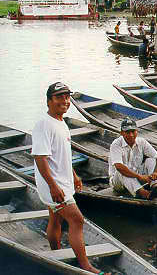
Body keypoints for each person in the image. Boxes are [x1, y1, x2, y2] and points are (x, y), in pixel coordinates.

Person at [32, 82, 109, 275]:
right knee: (77, 221)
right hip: (53, 185)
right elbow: (40, 158)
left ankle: (57, 255)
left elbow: (62, 155)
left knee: (55, 219)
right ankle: (86, 267)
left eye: (67, 97)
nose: (65, 101)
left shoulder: (61, 122)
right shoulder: (44, 123)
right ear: (49, 101)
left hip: (61, 181)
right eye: (59, 97)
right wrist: (53, 186)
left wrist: (74, 175)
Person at [109, 117, 157, 199]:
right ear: (121, 133)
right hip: (118, 182)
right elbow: (119, 167)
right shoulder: (116, 144)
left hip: (135, 177)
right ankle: (143, 193)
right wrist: (140, 177)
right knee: (122, 170)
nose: (131, 135)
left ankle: (155, 185)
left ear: (137, 131)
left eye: (133, 131)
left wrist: (156, 172)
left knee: (151, 160)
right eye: (127, 132)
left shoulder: (141, 142)